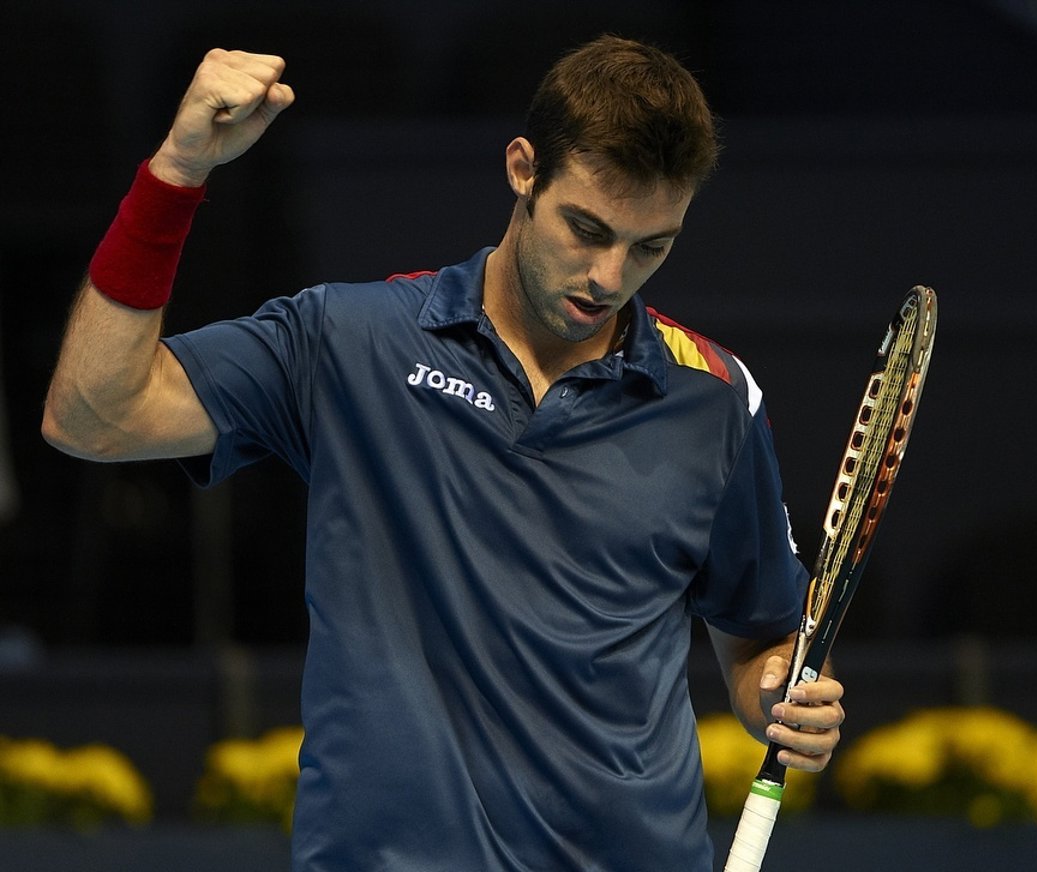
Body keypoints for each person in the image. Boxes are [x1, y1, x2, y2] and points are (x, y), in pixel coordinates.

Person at [43, 37, 845, 871]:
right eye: (587, 229)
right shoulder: (351, 342)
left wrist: (778, 699)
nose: (609, 277)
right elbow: (92, 415)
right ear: (523, 169)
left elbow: (759, 641)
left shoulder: (714, 397)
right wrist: (177, 173)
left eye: (651, 247)